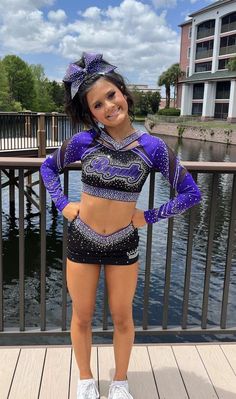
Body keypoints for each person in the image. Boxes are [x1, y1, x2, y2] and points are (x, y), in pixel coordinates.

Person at [40, 52, 201, 399]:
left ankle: (120, 382)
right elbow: (47, 168)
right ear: (91, 112)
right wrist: (64, 205)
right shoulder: (86, 142)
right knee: (81, 317)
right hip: (82, 238)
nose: (108, 107)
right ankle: (85, 380)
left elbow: (191, 193)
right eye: (97, 105)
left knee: (123, 318)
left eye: (111, 95)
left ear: (123, 93)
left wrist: (149, 216)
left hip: (123, 243)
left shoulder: (153, 148)